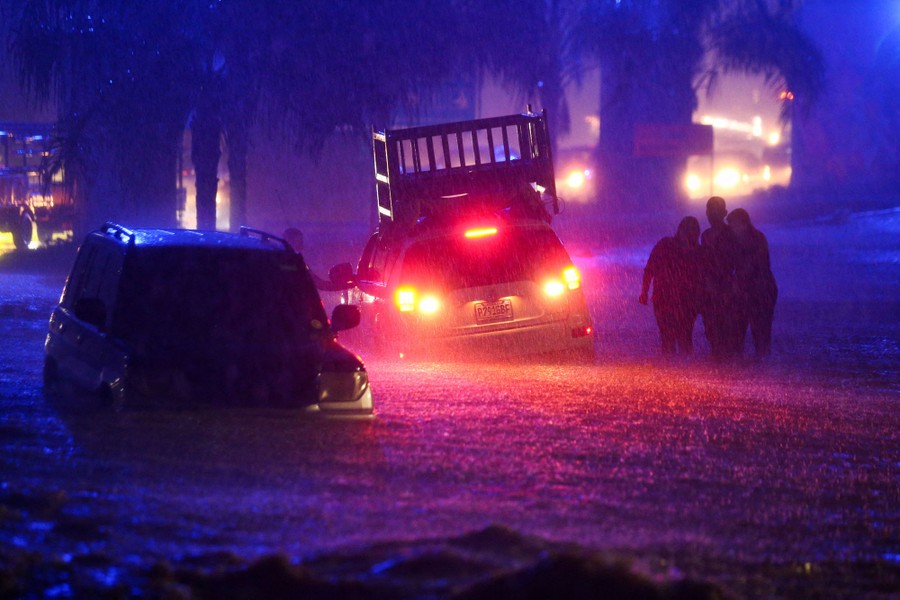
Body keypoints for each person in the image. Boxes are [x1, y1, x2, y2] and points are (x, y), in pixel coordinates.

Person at [639, 216, 702, 355]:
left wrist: (644, 292)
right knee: (674, 338)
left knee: (679, 337)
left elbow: (649, 269)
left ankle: (675, 369)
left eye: (693, 231)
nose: (691, 235)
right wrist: (644, 292)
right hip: (668, 299)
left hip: (681, 300)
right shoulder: (666, 245)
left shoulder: (694, 251)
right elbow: (650, 269)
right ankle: (679, 369)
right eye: (689, 231)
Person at [727, 208, 777, 358]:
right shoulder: (753, 238)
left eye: (734, 225)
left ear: (743, 223)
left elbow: (756, 264)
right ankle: (757, 359)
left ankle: (758, 359)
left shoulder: (755, 240)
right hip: (756, 289)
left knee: (759, 328)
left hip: (759, 290)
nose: (732, 229)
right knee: (747, 327)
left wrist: (739, 280)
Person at [699, 196, 739, 360]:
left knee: (725, 322)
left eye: (715, 210)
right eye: (710, 210)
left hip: (726, 283)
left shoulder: (731, 234)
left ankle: (725, 356)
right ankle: (718, 354)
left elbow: (736, 259)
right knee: (710, 322)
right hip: (710, 285)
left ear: (724, 213)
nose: (712, 214)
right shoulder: (706, 235)